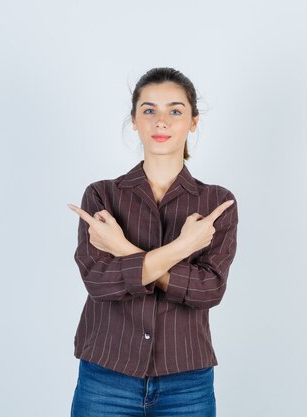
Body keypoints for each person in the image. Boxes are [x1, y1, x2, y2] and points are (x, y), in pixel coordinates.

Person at [66, 67, 239, 416]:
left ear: (193, 121)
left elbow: (209, 291)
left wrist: (123, 251)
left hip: (187, 381)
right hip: (106, 376)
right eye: (149, 110)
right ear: (134, 120)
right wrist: (182, 248)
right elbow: (99, 282)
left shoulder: (216, 204)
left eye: (175, 110)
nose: (161, 121)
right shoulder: (101, 196)